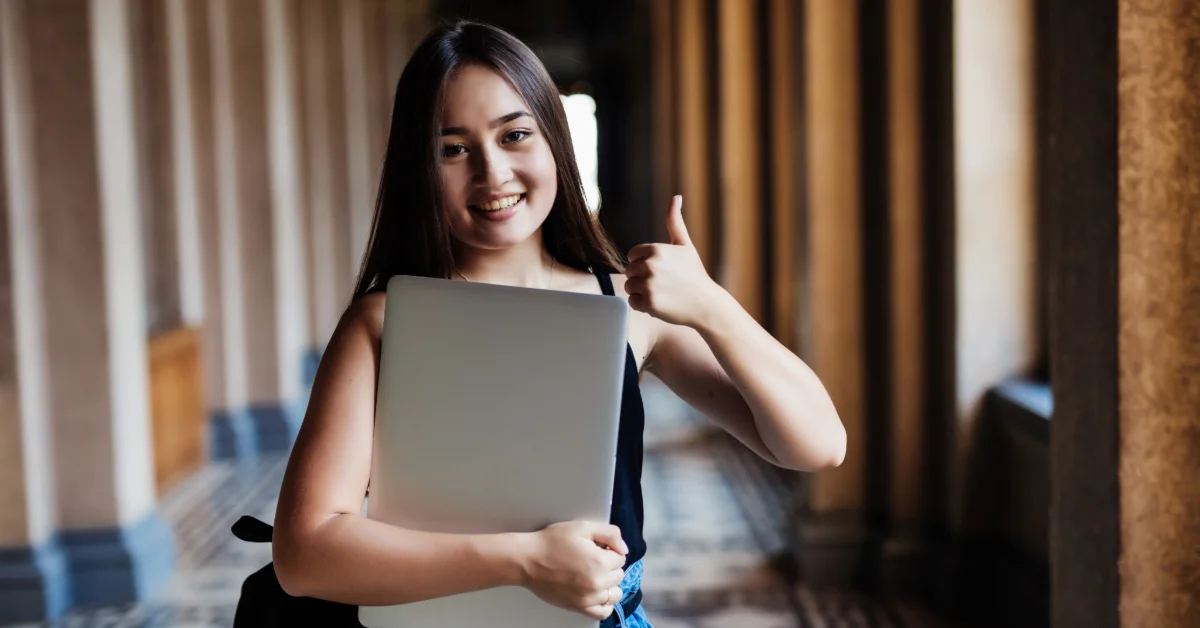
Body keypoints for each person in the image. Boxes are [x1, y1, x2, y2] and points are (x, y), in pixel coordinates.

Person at [268, 20, 846, 628]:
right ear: (419, 167)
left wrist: (712, 307)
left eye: (515, 135)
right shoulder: (384, 322)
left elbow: (818, 446)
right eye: (453, 148)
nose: (492, 173)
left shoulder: (626, 308)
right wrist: (523, 561)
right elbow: (303, 555)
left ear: (556, 143)